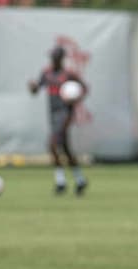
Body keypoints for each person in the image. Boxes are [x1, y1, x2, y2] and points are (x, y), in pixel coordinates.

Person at [28, 46, 89, 196]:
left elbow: (84, 89)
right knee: (65, 149)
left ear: (61, 58)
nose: (53, 60)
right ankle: (80, 180)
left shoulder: (68, 75)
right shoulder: (47, 73)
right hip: (52, 113)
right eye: (52, 57)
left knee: (53, 144)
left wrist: (75, 98)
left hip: (65, 113)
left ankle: (60, 182)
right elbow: (36, 90)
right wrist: (33, 87)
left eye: (56, 57)